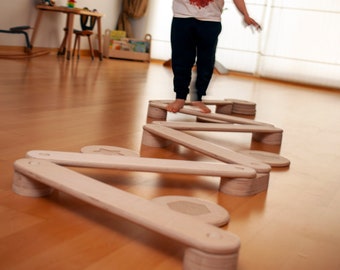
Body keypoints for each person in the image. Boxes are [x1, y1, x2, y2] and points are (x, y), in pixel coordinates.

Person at [166, 0, 261, 113]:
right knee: (181, 59)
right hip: (182, 17)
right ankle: (180, 97)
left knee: (206, 61)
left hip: (211, 20)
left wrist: (245, 14)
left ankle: (197, 98)